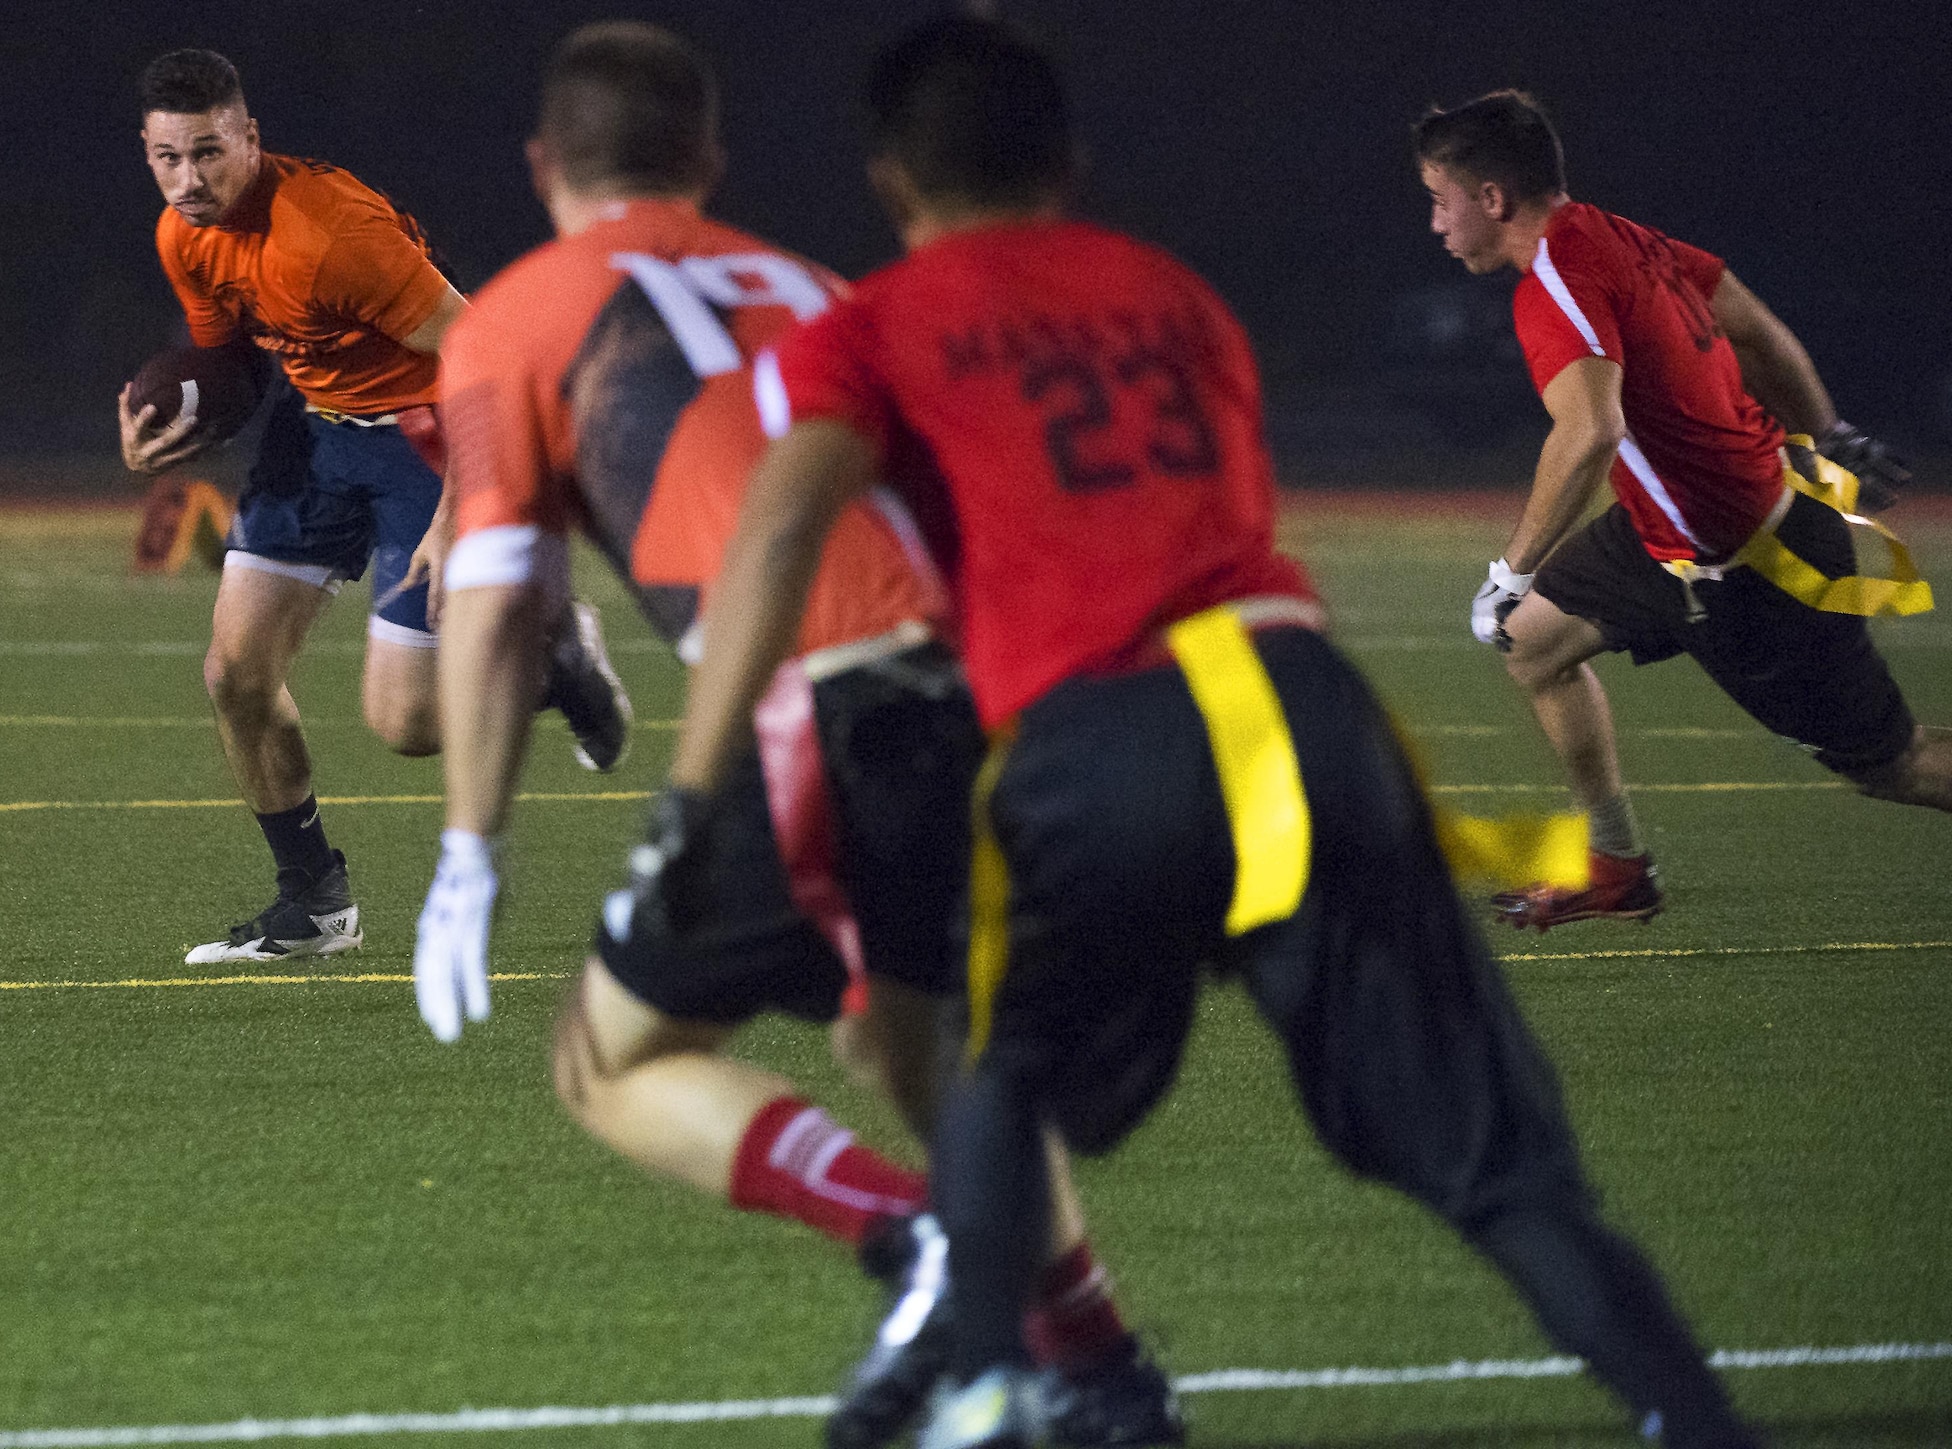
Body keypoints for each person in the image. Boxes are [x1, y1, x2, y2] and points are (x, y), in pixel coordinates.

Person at [661, 16, 1764, 1449]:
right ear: (1070, 162)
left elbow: (782, 527)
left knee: (1004, 1076)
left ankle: (989, 1385)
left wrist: (696, 789)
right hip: (1301, 714)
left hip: (1107, 737)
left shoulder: (868, 329)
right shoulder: (1174, 297)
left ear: (888, 182)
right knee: (1499, 1170)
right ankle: (1696, 1418)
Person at [411, 24, 1178, 1449]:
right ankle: (1105, 1375)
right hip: (981, 693)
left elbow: (496, 602)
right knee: (923, 1054)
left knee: (611, 1056)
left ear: (541, 165)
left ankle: (921, 1246)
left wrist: (471, 844)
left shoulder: (510, 317)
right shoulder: (820, 285)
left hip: (816, 705)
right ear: (706, 159)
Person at [120, 49, 629, 966]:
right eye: (168, 158)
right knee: (235, 672)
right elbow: (229, 363)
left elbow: (485, 355)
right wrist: (171, 421)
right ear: (147, 154)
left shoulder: (330, 232)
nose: (189, 179)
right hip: (313, 435)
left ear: (250, 138)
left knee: (409, 725)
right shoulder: (181, 235)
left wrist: (452, 511)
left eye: (208, 153)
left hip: (426, 437)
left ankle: (550, 651)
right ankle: (314, 903)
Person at [1417, 90, 1948, 931]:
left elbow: (1590, 432)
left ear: (1492, 199)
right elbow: (1753, 325)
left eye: (1440, 203)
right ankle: (1617, 864)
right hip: (1676, 538)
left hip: (1753, 562)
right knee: (1533, 642)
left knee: (1896, 766)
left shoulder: (1553, 280)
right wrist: (1831, 433)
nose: (1437, 226)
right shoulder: (1616, 233)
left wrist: (1508, 570)